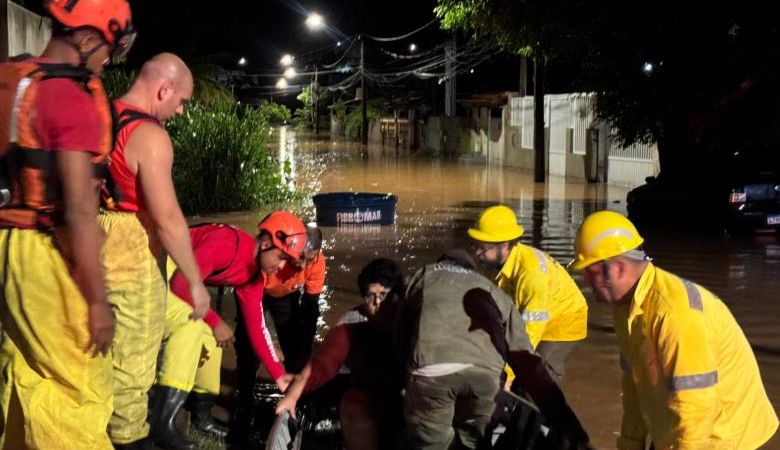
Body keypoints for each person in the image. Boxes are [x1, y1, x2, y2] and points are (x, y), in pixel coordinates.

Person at [0, 1, 135, 448]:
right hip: (42, 253)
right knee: (80, 380)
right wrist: (97, 302)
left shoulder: (21, 79)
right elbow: (78, 210)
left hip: (10, 245)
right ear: (86, 39)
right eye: (108, 50)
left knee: (30, 369)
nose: (108, 62)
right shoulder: (70, 100)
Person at [570, 210, 778, 450]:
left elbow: (694, 408)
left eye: (591, 272)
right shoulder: (626, 309)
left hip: (723, 437)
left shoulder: (674, 315)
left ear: (618, 268)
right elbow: (634, 385)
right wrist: (630, 443)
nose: (585, 280)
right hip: (679, 427)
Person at [98, 52, 211, 449]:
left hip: (96, 244)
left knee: (101, 356)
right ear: (164, 89)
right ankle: (129, 439)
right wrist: (196, 282)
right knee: (133, 366)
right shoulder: (150, 136)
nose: (179, 111)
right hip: (133, 252)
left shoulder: (104, 114)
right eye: (180, 101)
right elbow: (166, 218)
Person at [397, 249, 591, 450]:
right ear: (471, 271)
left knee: (432, 441)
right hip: (484, 379)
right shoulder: (491, 290)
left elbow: (400, 333)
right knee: (475, 440)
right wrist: (569, 426)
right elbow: (525, 357)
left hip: (431, 372)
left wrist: (406, 374)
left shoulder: (424, 276)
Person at [153, 212, 305, 448]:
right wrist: (215, 322)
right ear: (265, 243)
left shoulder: (255, 276)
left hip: (181, 279)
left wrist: (279, 375)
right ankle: (163, 422)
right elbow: (181, 284)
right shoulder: (227, 244)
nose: (281, 266)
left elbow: (257, 328)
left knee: (213, 344)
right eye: (281, 257)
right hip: (161, 265)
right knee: (193, 328)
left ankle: (201, 417)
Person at [276, 258, 406, 450]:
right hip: (368, 393)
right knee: (352, 402)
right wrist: (293, 395)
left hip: (409, 392)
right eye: (371, 297)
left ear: (399, 296)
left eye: (385, 295)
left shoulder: (414, 318)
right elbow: (323, 364)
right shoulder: (351, 323)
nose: (379, 303)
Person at [468, 205, 588, 382]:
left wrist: (508, 375)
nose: (476, 253)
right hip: (534, 317)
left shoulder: (531, 275)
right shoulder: (495, 265)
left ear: (505, 245)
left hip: (562, 324)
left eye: (482, 248)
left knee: (538, 378)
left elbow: (529, 333)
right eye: (475, 245)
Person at [264, 226, 326, 373]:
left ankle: (294, 381)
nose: (304, 265)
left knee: (294, 346)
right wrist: (269, 345)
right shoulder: (272, 260)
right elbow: (253, 316)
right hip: (259, 290)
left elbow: (311, 306)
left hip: (286, 294)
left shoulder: (317, 262)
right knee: (249, 347)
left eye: (310, 259)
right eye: (301, 257)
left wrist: (306, 349)